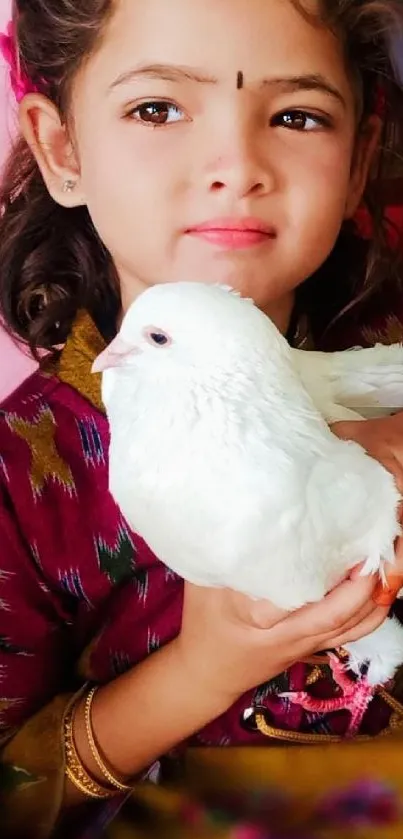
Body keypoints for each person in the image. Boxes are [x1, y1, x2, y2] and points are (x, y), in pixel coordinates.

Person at [1, 1, 403, 837]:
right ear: (61, 147)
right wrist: (204, 667)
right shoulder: (20, 474)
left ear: (359, 156)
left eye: (296, 115)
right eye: (157, 109)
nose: (236, 165)